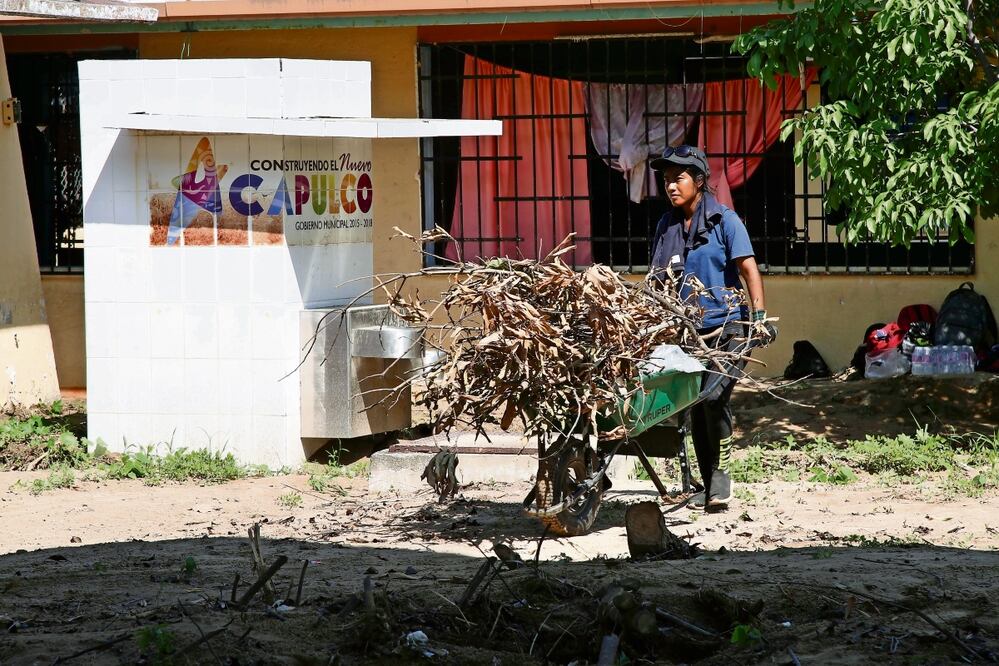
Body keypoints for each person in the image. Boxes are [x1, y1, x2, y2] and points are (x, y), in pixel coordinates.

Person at [648, 145, 775, 510]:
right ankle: (706, 485)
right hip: (687, 333)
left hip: (730, 328)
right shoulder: (666, 225)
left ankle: (721, 479)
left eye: (679, 178)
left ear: (700, 181)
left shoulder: (725, 221)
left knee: (713, 397)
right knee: (694, 404)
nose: (671, 186)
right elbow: (658, 280)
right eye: (667, 179)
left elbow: (749, 269)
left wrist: (760, 317)